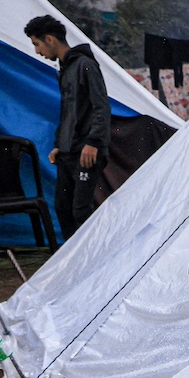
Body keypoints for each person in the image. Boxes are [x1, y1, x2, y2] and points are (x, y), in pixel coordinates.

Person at [24, 15, 110, 239]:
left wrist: (93, 143)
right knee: (63, 207)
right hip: (68, 152)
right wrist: (59, 145)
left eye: (37, 44)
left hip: (86, 152)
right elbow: (70, 112)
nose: (37, 51)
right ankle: (76, 261)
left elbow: (101, 107)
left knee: (81, 210)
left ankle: (98, 257)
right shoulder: (65, 69)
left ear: (50, 39)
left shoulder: (85, 65)